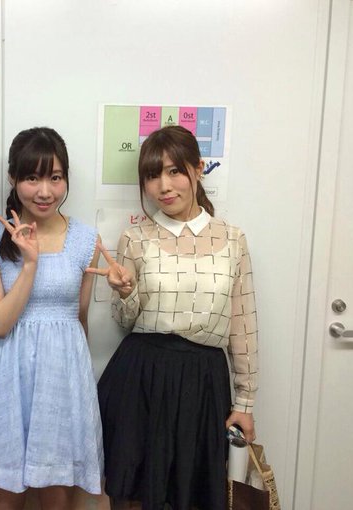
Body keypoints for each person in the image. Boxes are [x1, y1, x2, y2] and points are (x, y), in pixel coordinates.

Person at [89, 125, 258, 510]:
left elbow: (243, 323)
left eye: (175, 171)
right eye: (152, 176)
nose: (163, 186)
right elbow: (125, 321)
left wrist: (246, 402)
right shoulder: (136, 238)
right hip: (141, 378)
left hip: (203, 381)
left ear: (198, 169)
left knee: (193, 494)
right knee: (130, 493)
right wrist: (126, 292)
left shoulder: (232, 239)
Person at [0, 127, 104, 509]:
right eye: (32, 178)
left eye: (55, 178)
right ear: (13, 178)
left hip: (63, 378)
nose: (44, 191)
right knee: (5, 499)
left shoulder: (86, 240)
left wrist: (79, 386)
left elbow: (81, 317)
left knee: (57, 497)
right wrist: (29, 265)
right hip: (8, 374)